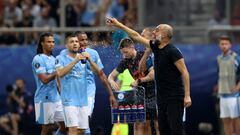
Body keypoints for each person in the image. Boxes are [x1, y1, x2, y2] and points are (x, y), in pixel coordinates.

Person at [106, 17, 192, 135]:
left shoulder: (173, 51)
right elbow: (136, 36)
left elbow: (185, 73)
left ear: (164, 36)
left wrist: (187, 96)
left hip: (174, 96)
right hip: (161, 97)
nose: (153, 32)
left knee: (176, 129)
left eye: (157, 30)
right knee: (163, 129)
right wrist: (118, 24)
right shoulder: (155, 48)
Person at [56, 33, 116, 135]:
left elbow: (101, 74)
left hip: (87, 91)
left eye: (85, 40)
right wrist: (60, 89)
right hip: (70, 91)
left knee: (84, 124)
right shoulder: (64, 54)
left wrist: (111, 94)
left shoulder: (92, 53)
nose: (84, 43)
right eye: (80, 40)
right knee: (68, 127)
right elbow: (59, 74)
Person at [108, 38, 156, 135]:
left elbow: (153, 75)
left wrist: (139, 80)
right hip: (139, 94)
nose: (124, 55)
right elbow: (110, 76)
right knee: (137, 123)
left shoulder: (143, 55)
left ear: (132, 47)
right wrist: (112, 81)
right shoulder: (125, 61)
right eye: (122, 53)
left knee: (151, 124)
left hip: (152, 93)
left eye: (125, 52)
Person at [31, 33, 65, 135]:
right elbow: (44, 79)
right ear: (42, 43)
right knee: (46, 128)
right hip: (43, 98)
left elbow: (58, 82)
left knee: (66, 125)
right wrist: (58, 71)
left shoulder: (55, 59)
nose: (51, 44)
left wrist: (62, 95)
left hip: (56, 98)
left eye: (53, 42)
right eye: (49, 42)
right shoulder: (38, 58)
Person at [216, 35, 240, 135]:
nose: (224, 46)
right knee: (225, 120)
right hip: (222, 94)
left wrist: (238, 87)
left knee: (236, 119)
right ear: (219, 45)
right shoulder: (218, 59)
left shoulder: (236, 58)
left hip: (234, 96)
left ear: (230, 45)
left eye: (226, 44)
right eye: (222, 44)